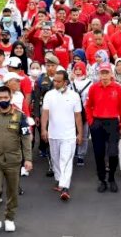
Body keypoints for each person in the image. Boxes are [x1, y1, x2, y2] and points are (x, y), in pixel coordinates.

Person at [0, 86, 32, 235]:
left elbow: (26, 139)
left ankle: (9, 218)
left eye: (5, 98)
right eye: (0, 98)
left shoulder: (20, 116)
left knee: (12, 191)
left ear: (10, 98)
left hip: (13, 160)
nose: (3, 100)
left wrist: (28, 159)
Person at [41, 70, 83, 201]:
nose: (55, 83)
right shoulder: (49, 95)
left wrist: (80, 133)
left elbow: (78, 116)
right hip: (53, 134)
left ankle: (65, 187)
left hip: (69, 135)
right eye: (54, 80)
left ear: (65, 82)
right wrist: (44, 129)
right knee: (56, 160)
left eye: (58, 81)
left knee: (66, 160)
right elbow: (45, 113)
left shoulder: (74, 96)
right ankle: (59, 180)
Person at [85, 63, 121, 193]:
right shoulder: (93, 88)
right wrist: (91, 122)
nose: (104, 76)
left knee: (113, 153)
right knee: (99, 153)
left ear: (111, 74)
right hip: (97, 122)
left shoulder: (118, 88)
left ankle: (112, 178)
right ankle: (102, 180)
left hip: (112, 122)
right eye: (102, 73)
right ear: (99, 74)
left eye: (106, 73)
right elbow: (88, 106)